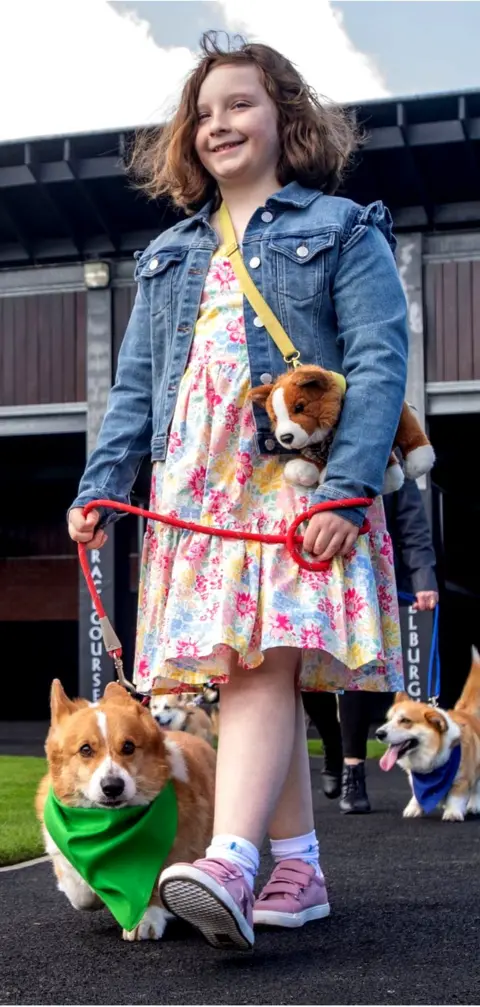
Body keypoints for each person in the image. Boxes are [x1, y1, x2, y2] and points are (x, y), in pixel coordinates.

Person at [67, 33, 408, 952]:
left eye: (241, 103)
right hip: (197, 494)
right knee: (253, 670)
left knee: (258, 665)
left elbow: (378, 360)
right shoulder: (168, 255)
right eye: (205, 111)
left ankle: (228, 858)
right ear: (189, 136)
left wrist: (344, 490)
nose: (221, 122)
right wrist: (103, 485)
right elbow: (136, 387)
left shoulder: (342, 226)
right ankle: (295, 864)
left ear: (285, 119)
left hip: (286, 487)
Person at [303, 471, 439, 813]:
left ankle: (353, 772)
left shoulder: (386, 456)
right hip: (306, 571)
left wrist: (423, 578)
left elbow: (412, 524)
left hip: (362, 570)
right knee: (303, 672)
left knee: (356, 670)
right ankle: (332, 743)